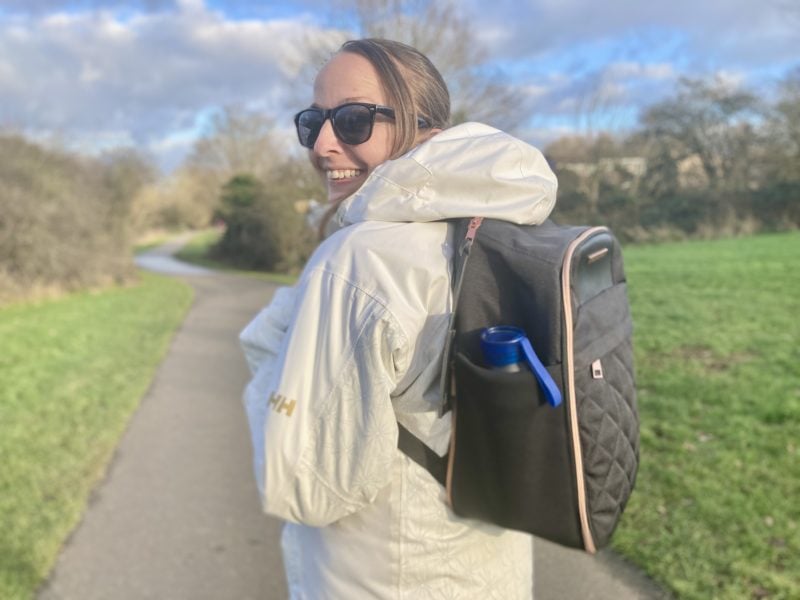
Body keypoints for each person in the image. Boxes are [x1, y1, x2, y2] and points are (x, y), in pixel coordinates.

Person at [239, 38, 557, 599]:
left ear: (424, 124)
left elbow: (310, 487)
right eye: (313, 122)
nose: (323, 144)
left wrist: (271, 343)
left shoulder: (361, 260)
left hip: (385, 575)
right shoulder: (492, 225)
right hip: (485, 564)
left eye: (354, 119)